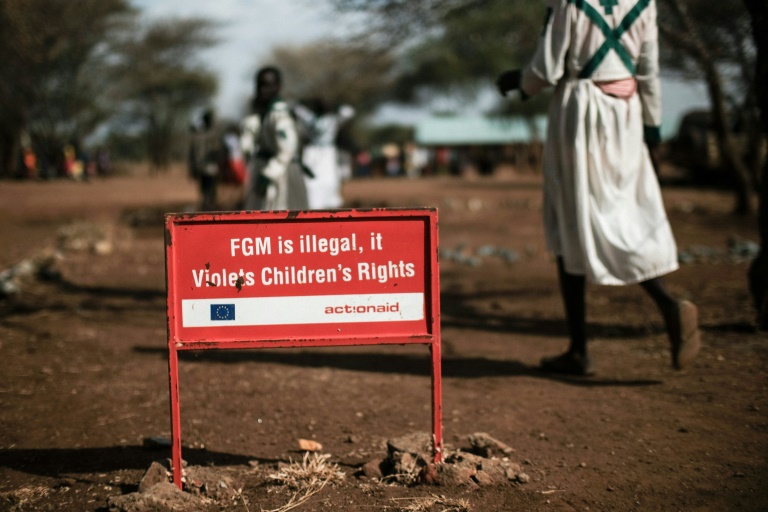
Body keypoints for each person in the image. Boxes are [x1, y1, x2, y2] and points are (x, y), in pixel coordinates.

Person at [496, 0, 700, 375]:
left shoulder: (568, 2)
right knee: (622, 213)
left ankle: (592, 342)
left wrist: (518, 81)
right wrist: (652, 132)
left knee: (570, 221)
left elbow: (546, 68)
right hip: (626, 114)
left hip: (581, 116)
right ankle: (648, 314)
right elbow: (649, 70)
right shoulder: (644, 3)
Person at [240, 66, 308, 211]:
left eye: (268, 85)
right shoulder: (264, 112)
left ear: (278, 87)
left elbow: (287, 149)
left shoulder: (279, 114)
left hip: (283, 173)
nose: (263, 90)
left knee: (285, 214)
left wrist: (269, 174)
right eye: (260, 85)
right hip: (270, 169)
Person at [294, 98, 355, 209]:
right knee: (312, 181)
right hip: (314, 153)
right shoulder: (321, 119)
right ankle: (313, 206)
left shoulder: (317, 118)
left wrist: (337, 105)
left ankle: (327, 205)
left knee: (328, 180)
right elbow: (348, 112)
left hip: (325, 154)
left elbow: (349, 111)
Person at [188, 108, 221, 211]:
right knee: (210, 190)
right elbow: (217, 151)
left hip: (201, 167)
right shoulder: (213, 135)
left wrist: (193, 168)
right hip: (211, 167)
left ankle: (206, 206)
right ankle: (209, 208)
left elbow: (193, 153)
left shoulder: (198, 135)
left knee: (204, 189)